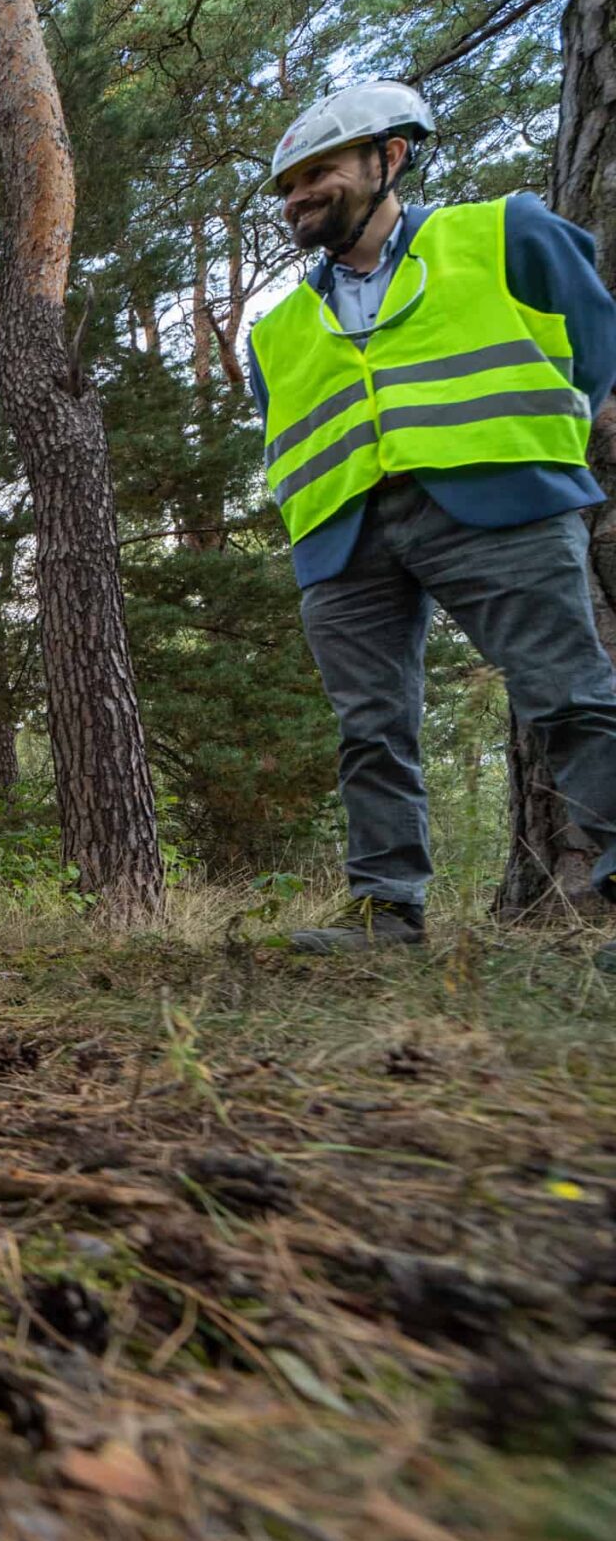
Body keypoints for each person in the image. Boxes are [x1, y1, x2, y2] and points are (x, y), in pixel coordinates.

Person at [248, 82, 616, 965]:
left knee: (568, 695)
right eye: (288, 186)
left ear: (391, 157)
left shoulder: (501, 233)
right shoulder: (278, 328)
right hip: (343, 536)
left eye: (319, 172)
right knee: (370, 728)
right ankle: (388, 914)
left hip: (499, 504)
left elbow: (596, 349)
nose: (299, 195)